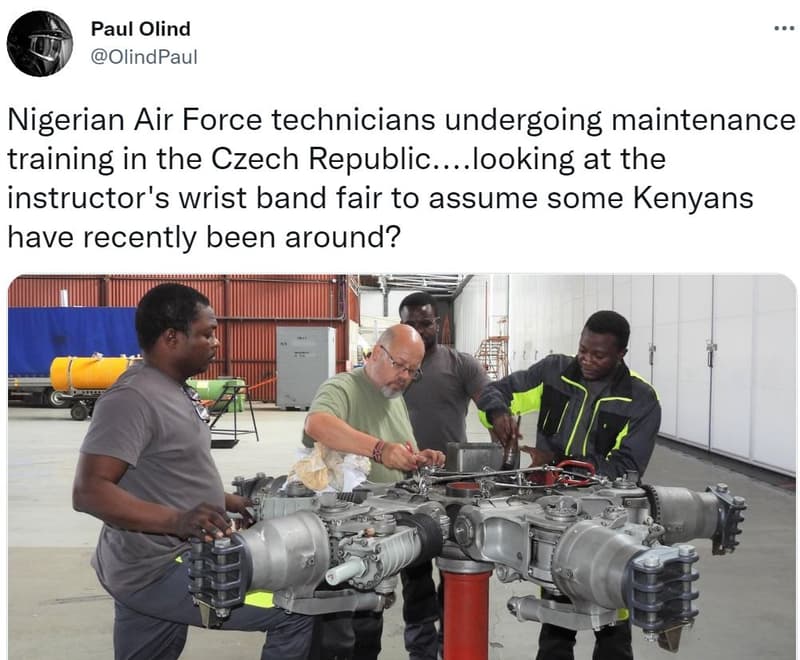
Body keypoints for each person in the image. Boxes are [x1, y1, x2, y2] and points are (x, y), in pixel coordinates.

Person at [72, 283, 313, 660]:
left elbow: (171, 473)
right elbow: (90, 491)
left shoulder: (174, 388)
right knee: (296, 607)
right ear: (171, 337)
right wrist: (179, 520)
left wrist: (229, 501)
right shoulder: (132, 399)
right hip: (161, 566)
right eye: (207, 333)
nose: (215, 342)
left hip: (155, 559)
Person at [477, 310, 661, 660]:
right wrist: (499, 413)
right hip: (557, 519)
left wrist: (557, 465)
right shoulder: (554, 373)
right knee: (557, 618)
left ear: (621, 354)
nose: (586, 360)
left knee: (613, 623)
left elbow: (627, 469)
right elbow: (496, 391)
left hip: (611, 523)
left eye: (599, 355)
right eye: (582, 349)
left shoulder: (640, 400)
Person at [300, 323, 445, 660]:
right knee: (341, 636)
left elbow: (398, 448)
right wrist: (380, 449)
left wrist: (416, 458)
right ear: (377, 353)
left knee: (368, 631)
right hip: (350, 533)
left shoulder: (393, 396)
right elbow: (317, 424)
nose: (406, 376)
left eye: (413, 371)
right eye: (400, 365)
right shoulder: (344, 386)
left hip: (387, 527)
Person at [398, 291, 490, 660]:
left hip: (454, 489)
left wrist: (499, 417)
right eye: (411, 323)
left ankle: (449, 643)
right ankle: (420, 651)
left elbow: (490, 397)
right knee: (415, 578)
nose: (420, 330)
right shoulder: (394, 366)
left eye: (426, 322)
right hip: (407, 488)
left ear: (439, 323)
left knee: (455, 574)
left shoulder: (461, 364)